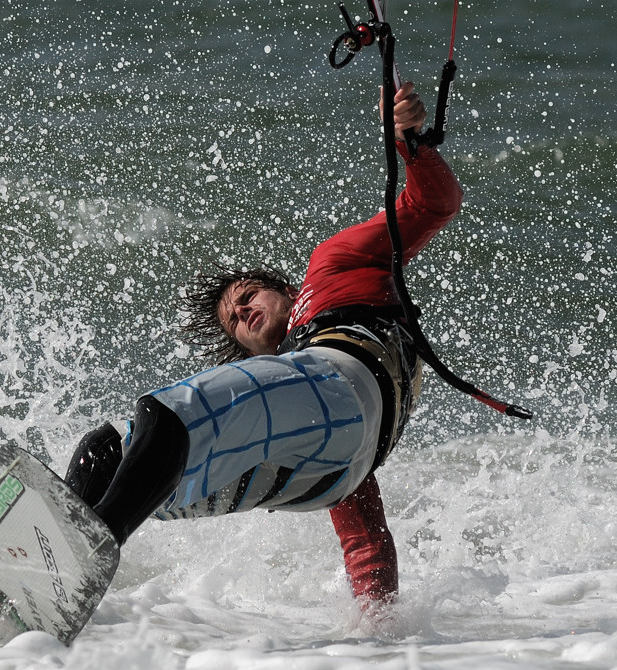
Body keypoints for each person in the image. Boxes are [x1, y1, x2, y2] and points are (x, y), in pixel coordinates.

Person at [64, 82, 462, 606]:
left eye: (248, 296)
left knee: (166, 414)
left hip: (348, 382)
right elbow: (366, 542)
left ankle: (81, 569)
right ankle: (48, 574)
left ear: (288, 290)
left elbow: (434, 204)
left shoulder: (331, 268)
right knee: (109, 451)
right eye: (234, 321)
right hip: (323, 471)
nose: (243, 312)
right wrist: (379, 632)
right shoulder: (288, 390)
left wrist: (410, 140)